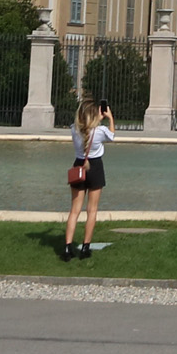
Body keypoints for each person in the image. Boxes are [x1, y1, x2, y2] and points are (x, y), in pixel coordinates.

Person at [61, 100, 111, 261]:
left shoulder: (74, 129)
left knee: (74, 210)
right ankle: (85, 247)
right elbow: (112, 136)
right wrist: (110, 118)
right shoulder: (100, 131)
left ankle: (67, 247)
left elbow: (84, 128)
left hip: (79, 165)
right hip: (95, 167)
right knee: (92, 210)